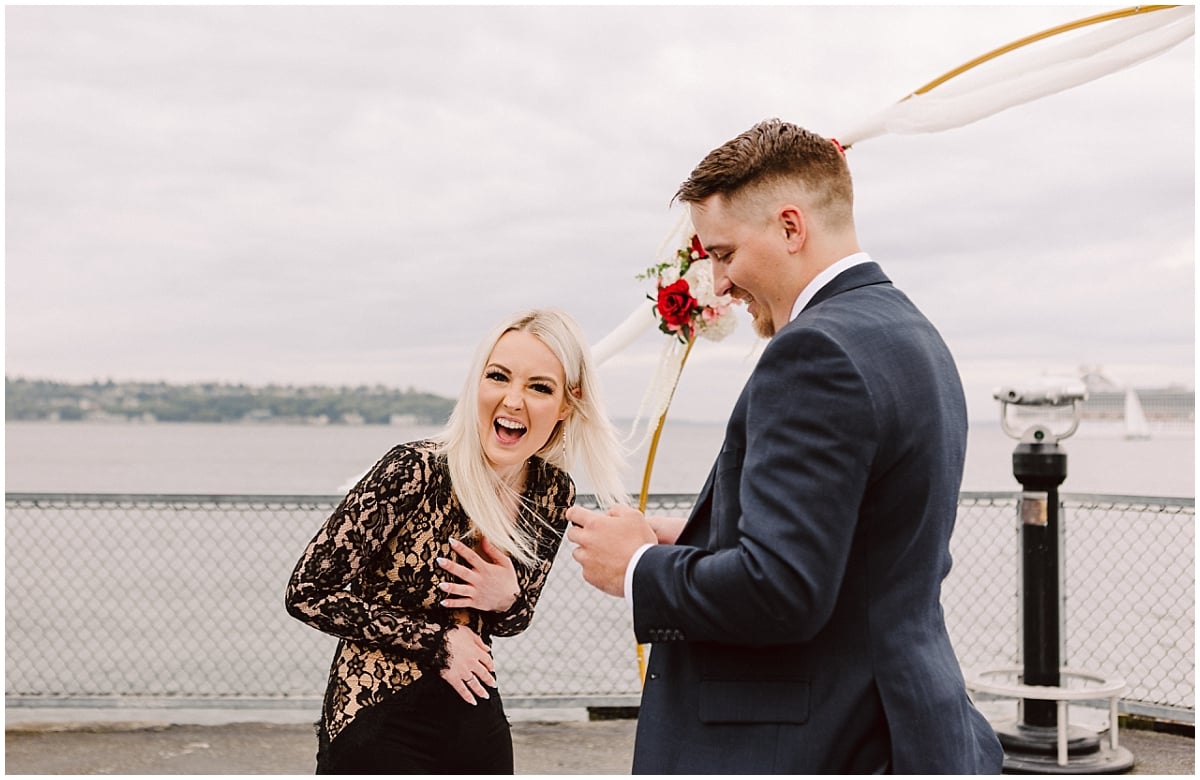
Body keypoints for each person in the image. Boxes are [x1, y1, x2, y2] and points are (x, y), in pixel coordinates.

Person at [567, 119, 1004, 773]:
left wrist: (635, 569)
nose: (718, 283)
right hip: (900, 721)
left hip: (818, 743)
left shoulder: (815, 351)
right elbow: (856, 551)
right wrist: (697, 537)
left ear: (791, 227)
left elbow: (783, 592)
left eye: (724, 253)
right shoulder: (910, 332)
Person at [286, 308, 627, 774]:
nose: (512, 400)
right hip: (376, 712)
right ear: (477, 383)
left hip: (472, 710)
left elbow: (512, 620)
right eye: (498, 377)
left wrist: (507, 597)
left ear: (567, 404)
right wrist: (438, 643)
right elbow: (307, 592)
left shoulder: (552, 492)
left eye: (539, 386)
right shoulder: (413, 470)